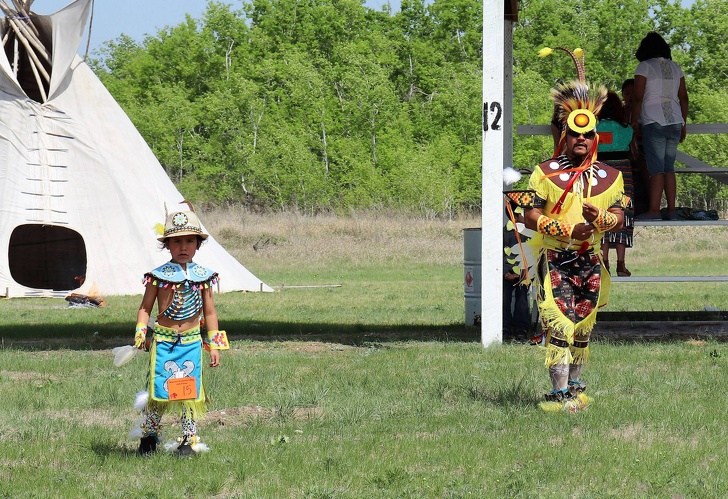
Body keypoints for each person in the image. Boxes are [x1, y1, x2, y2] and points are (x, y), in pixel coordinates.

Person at [523, 80, 627, 411]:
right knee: (559, 324)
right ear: (564, 137)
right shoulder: (544, 173)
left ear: (596, 137)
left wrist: (600, 220)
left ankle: (576, 390)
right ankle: (559, 393)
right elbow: (529, 215)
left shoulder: (612, 177)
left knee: (582, 326)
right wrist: (569, 229)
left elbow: (621, 217)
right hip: (555, 258)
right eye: (574, 134)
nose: (580, 139)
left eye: (587, 134)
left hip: (590, 261)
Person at [132, 204, 229, 455]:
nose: (183, 247)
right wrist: (141, 331)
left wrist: (215, 344)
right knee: (158, 391)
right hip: (163, 342)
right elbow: (145, 308)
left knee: (188, 392)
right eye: (176, 242)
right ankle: (149, 436)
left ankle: (189, 439)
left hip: (191, 343)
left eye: (189, 241)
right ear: (167, 245)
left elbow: (210, 313)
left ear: (198, 244)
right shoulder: (158, 276)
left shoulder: (204, 277)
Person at [631, 32, 689, 221]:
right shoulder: (675, 67)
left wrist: (633, 119)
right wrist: (684, 122)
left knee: (656, 168)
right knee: (669, 167)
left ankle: (654, 210)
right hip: (674, 120)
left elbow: (638, 96)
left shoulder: (644, 66)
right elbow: (684, 97)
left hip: (653, 120)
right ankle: (671, 210)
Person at [597, 90, 635, 277]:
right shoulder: (627, 128)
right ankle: (621, 264)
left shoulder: (594, 128)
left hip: (601, 175)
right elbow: (634, 154)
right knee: (623, 216)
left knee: (602, 215)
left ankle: (604, 261)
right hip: (624, 176)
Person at [621, 78, 650, 216]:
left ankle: (650, 203)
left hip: (643, 149)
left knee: (646, 168)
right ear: (623, 96)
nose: (631, 96)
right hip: (624, 150)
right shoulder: (620, 112)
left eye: (634, 93)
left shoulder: (645, 111)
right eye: (627, 93)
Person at [503, 210, 531, 341]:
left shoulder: (528, 233)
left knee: (522, 300)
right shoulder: (503, 233)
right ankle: (504, 328)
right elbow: (499, 253)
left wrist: (526, 272)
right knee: (504, 299)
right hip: (506, 273)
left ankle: (521, 329)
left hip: (524, 273)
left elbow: (531, 252)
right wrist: (504, 272)